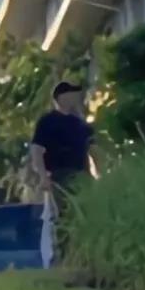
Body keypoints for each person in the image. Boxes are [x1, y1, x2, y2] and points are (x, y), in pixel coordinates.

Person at [29, 80, 97, 246]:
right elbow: (37, 150)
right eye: (72, 94)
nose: (75, 97)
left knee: (85, 213)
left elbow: (93, 149)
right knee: (64, 214)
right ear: (61, 97)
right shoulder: (48, 121)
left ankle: (81, 248)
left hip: (82, 174)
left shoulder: (80, 124)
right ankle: (63, 250)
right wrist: (43, 176)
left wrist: (98, 174)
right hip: (60, 174)